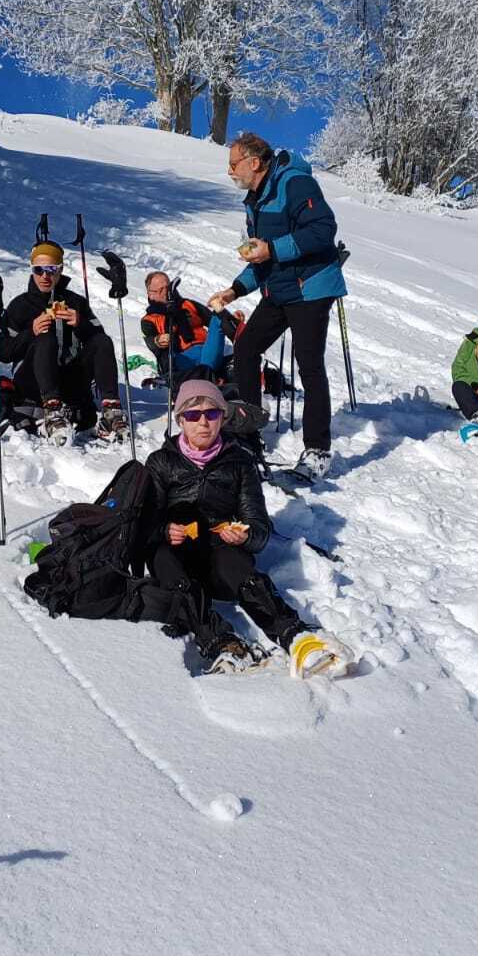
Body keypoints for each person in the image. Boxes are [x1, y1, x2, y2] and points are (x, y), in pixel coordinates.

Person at [144, 380, 353, 678]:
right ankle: (220, 641)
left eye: (211, 414)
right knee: (165, 561)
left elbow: (259, 527)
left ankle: (296, 636)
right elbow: (145, 522)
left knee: (242, 570)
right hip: (175, 556)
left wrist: (246, 536)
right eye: (192, 415)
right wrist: (165, 531)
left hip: (220, 557)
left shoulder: (240, 462)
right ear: (180, 420)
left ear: (222, 417)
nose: (203, 422)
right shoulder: (160, 462)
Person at [208, 131, 345, 483]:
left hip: (311, 287)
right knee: (245, 347)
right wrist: (234, 290)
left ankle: (317, 450)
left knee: (309, 365)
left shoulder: (295, 184)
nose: (230, 171)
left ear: (254, 162)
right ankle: (249, 432)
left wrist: (272, 249)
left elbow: (323, 230)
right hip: (279, 289)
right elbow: (261, 256)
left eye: (233, 164)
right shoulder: (254, 199)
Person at [0, 242, 128, 442]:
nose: (45, 276)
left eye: (51, 269)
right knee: (45, 338)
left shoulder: (75, 302)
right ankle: (52, 410)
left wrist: (80, 324)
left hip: (70, 380)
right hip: (32, 382)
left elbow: (101, 344)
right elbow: (3, 352)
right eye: (38, 270)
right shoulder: (20, 306)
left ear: (60, 270)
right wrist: (30, 332)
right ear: (32, 270)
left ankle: (111, 412)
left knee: (102, 340)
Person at [139, 271, 241, 386]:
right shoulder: (149, 320)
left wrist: (232, 320)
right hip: (182, 358)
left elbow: (212, 319)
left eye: (168, 287)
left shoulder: (188, 305)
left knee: (218, 317)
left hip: (207, 351)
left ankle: (243, 345)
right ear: (151, 294)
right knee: (196, 368)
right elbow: (150, 341)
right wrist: (158, 341)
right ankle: (211, 377)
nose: (166, 292)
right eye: (161, 290)